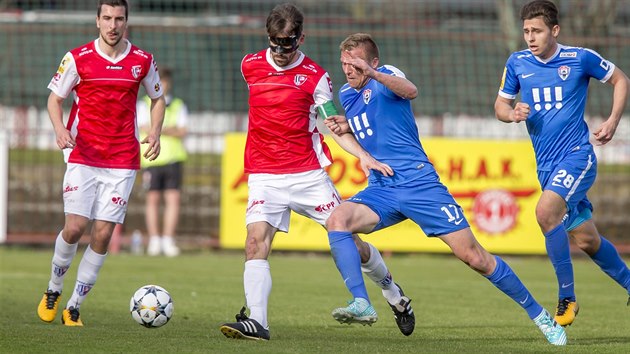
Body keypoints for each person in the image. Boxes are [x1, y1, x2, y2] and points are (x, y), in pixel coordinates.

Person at [323, 33, 566, 345]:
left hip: (420, 185)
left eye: (356, 63)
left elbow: (411, 91)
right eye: (345, 64)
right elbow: (375, 126)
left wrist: (372, 75)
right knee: (337, 221)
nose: (349, 69)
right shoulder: (346, 93)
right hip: (381, 189)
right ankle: (362, 302)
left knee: (475, 257)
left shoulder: (387, 76)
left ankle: (539, 315)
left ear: (372, 62)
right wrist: (350, 128)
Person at [219, 3, 415, 341]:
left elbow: (332, 125)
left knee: (353, 244)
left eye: (289, 43)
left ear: (301, 38)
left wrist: (362, 156)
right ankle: (258, 322)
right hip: (264, 174)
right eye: (275, 42)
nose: (281, 51)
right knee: (255, 243)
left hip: (308, 176)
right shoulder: (249, 65)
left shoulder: (315, 77)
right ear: (268, 37)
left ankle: (393, 292)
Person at [494, 0, 630, 327]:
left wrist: (612, 121)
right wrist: (511, 115)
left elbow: (621, 79)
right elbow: (500, 104)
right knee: (587, 239)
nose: (530, 37)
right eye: (526, 31)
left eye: (537, 31)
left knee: (545, 212)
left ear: (554, 30)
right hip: (547, 167)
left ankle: (567, 297)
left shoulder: (578, 58)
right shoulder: (517, 62)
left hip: (577, 156)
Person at [37, 0, 165, 326]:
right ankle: (53, 288)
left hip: (122, 159)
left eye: (119, 19)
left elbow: (157, 97)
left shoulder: (142, 61)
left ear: (126, 22)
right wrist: (60, 128)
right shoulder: (77, 58)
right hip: (84, 154)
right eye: (106, 18)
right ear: (97, 21)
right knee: (75, 227)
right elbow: (54, 99)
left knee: (103, 234)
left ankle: (74, 306)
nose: (113, 25)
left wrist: (155, 131)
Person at [137, 67, 188, 257]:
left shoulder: (178, 105)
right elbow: (143, 127)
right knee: (152, 199)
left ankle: (168, 239)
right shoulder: (143, 104)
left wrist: (158, 130)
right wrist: (167, 129)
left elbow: (182, 130)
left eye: (165, 82)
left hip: (173, 158)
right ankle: (154, 239)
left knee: (173, 199)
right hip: (151, 158)